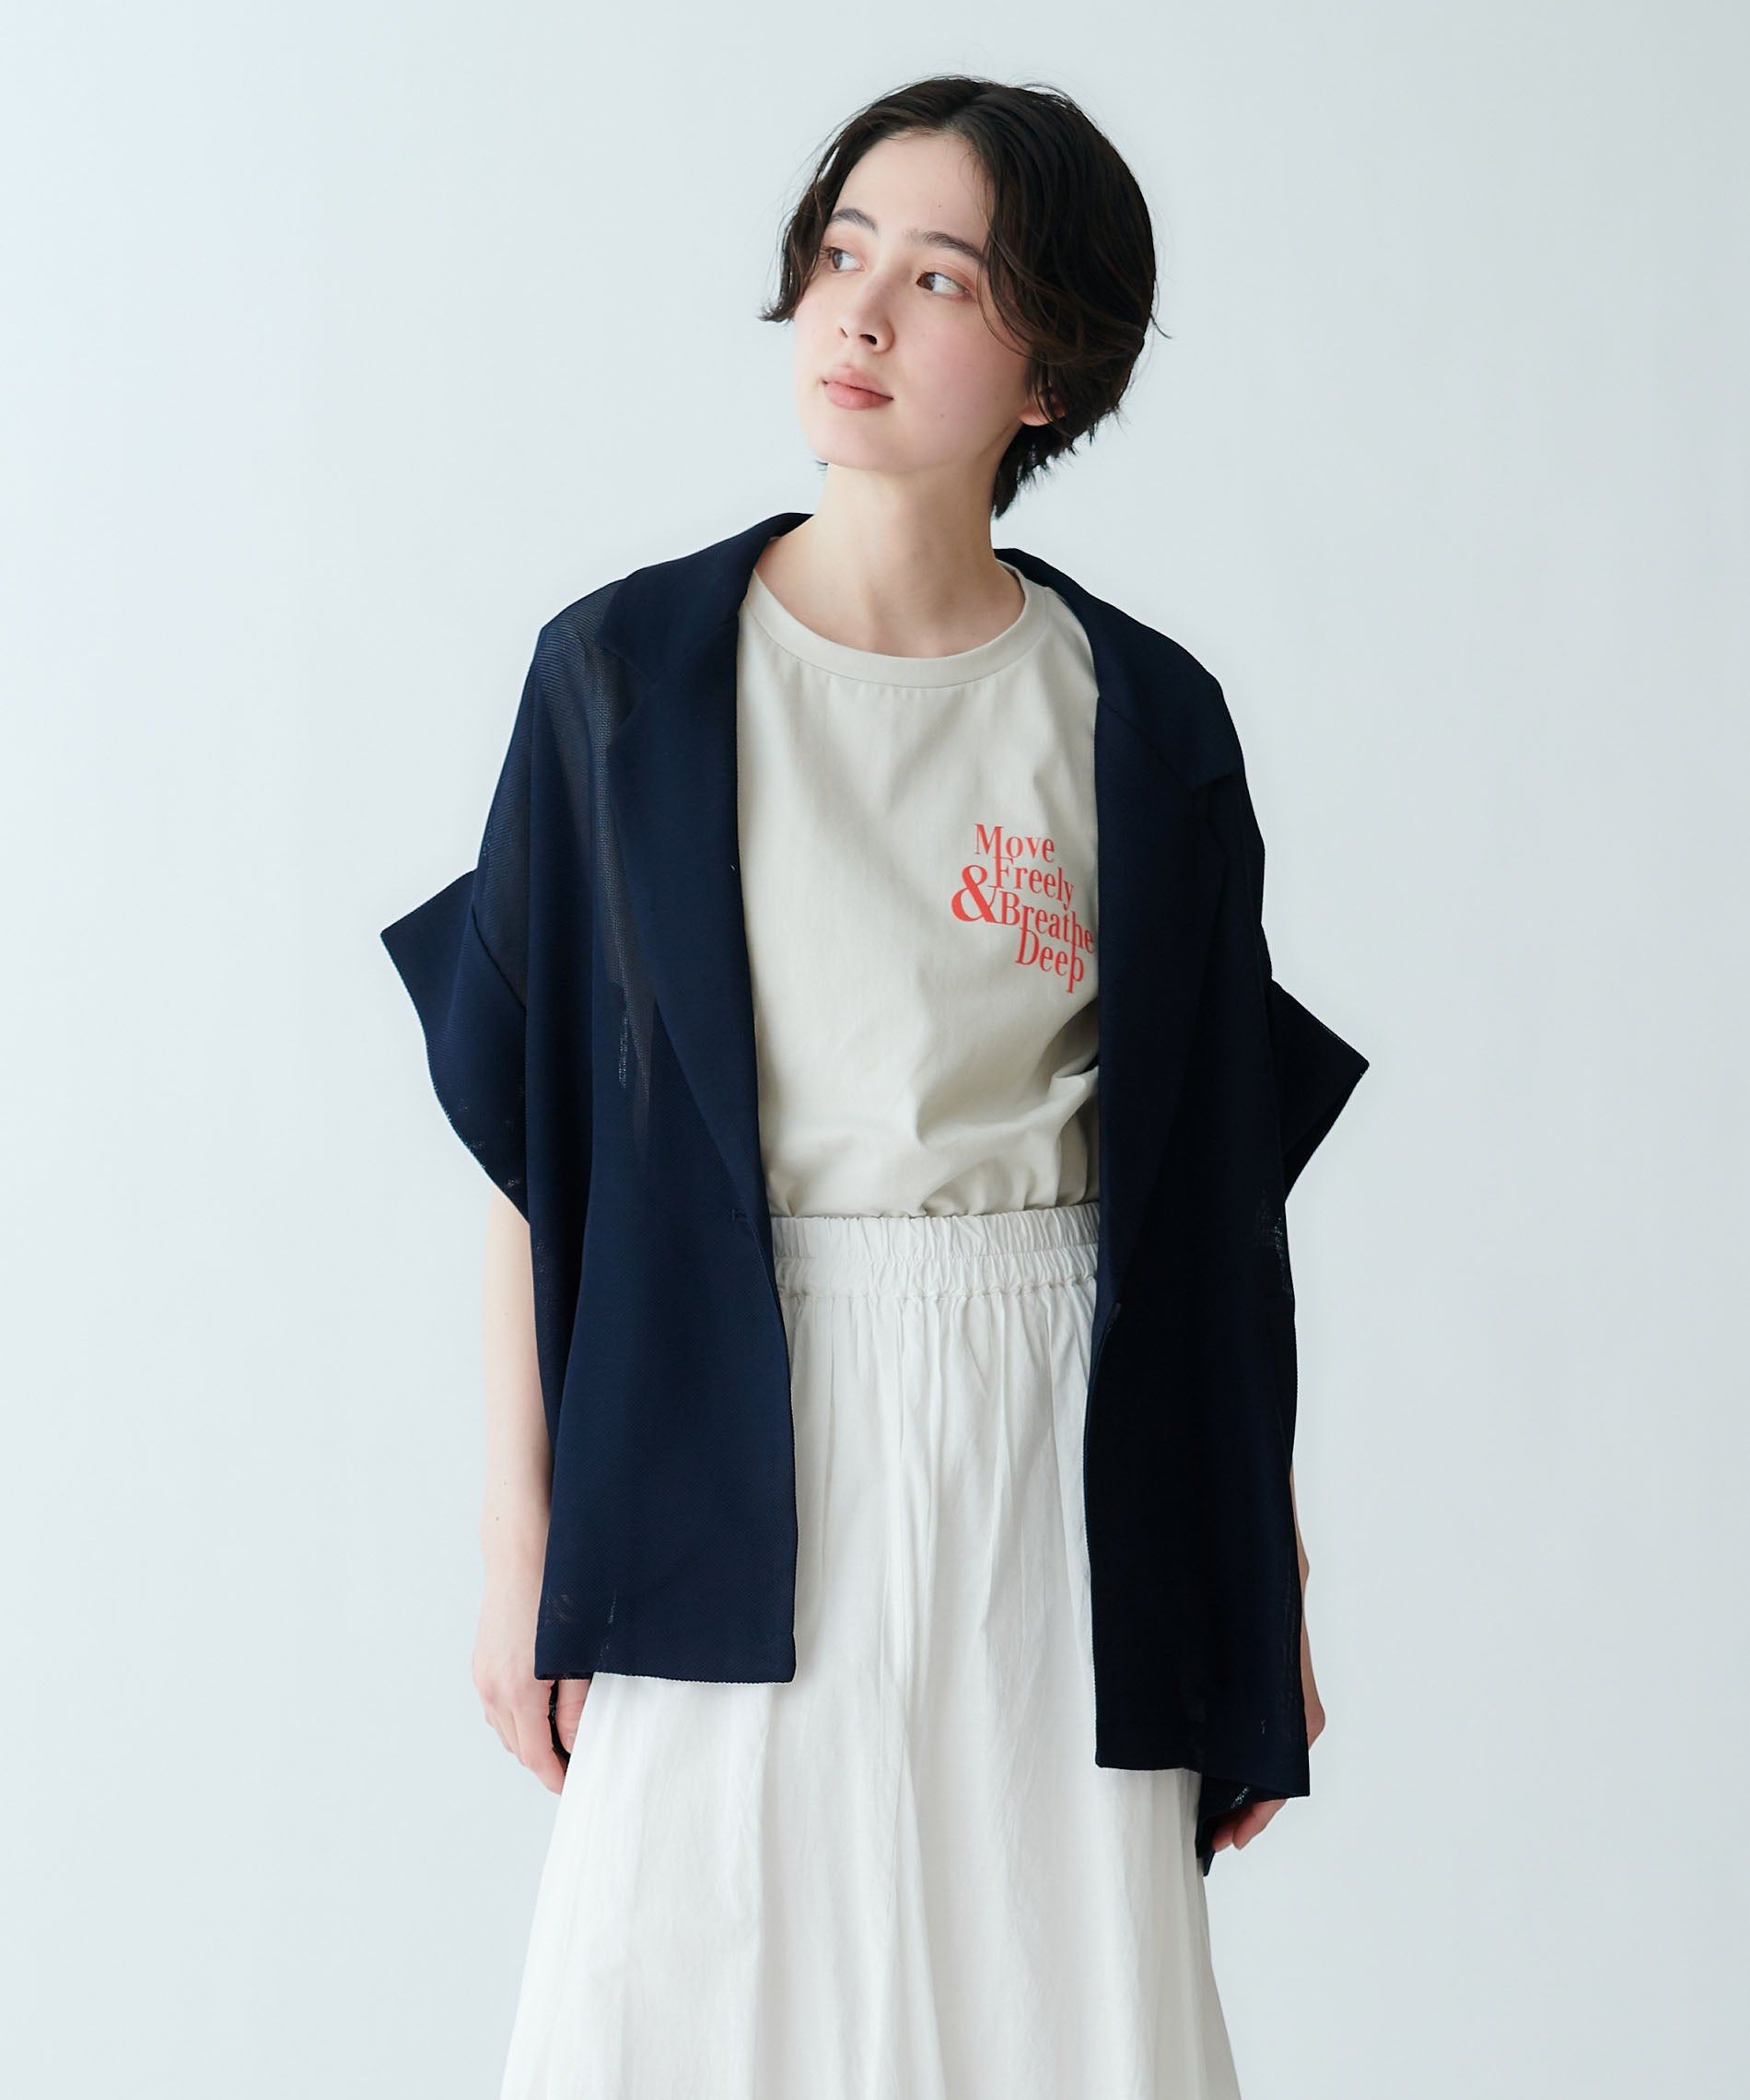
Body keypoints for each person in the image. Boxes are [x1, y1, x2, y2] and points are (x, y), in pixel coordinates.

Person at [381, 75, 1368, 2100]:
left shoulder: (1140, 719)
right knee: (684, 2005)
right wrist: (517, 1536)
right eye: (842, 253)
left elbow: (1212, 1203)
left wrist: (1256, 1573)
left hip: (1051, 1436)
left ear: (1049, 368)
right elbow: (534, 1139)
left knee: (1056, 2010)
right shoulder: (626, 682)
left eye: (939, 279)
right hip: (722, 1417)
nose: (857, 311)